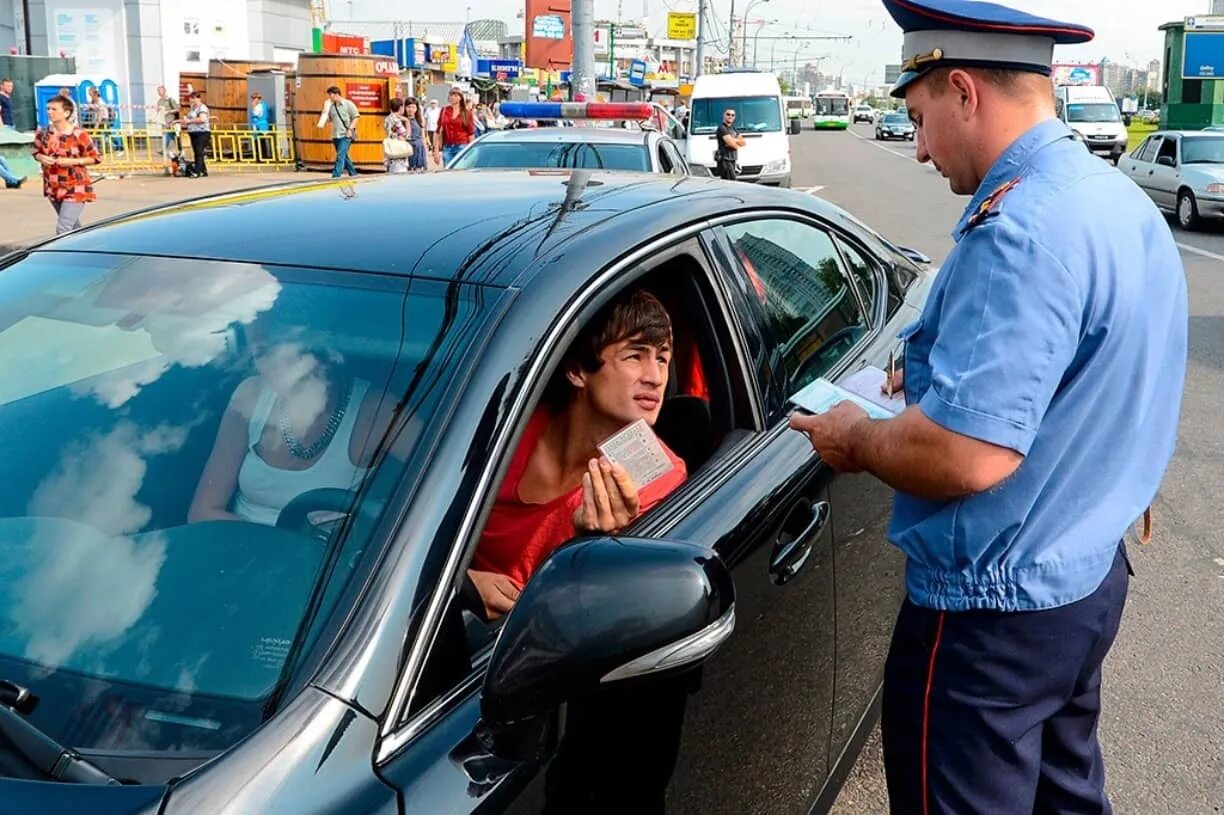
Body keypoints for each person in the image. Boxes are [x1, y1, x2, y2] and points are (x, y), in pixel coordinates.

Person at [787, 1, 1188, 813]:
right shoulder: (1112, 201)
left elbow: (970, 457)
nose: (923, 149)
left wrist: (856, 438)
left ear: (964, 90)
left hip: (990, 622)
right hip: (1082, 583)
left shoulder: (1021, 228)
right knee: (1065, 796)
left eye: (921, 118)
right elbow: (1107, 373)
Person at [467, 288, 688, 621]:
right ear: (577, 371)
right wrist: (462, 585)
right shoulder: (509, 428)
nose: (655, 377)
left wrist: (593, 549)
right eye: (634, 356)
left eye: (662, 358)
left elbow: (610, 614)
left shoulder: (658, 479)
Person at [188, 311, 396, 527]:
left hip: (329, 558)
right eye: (261, 354)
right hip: (240, 547)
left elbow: (432, 490)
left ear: (323, 348)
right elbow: (203, 512)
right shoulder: (250, 395)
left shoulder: (378, 411)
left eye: (287, 353)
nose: (274, 368)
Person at [32, 94, 100, 234]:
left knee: (63, 228)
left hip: (75, 186)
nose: (50, 112)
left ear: (66, 113)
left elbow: (95, 157)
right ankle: (87, 248)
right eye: (48, 109)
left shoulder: (79, 134)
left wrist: (73, 161)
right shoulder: (43, 133)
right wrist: (42, 158)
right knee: (73, 228)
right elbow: (36, 152)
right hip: (53, 186)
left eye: (54, 109)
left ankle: (62, 254)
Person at [320, 85, 359, 178]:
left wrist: (350, 129)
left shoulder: (348, 104)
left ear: (337, 94)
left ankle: (336, 175)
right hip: (336, 135)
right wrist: (324, 113)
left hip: (345, 134)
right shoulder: (331, 106)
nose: (330, 98)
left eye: (331, 95)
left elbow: (356, 117)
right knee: (344, 156)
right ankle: (353, 173)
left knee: (340, 156)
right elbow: (329, 119)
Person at [435, 88, 474, 167]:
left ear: (460, 98)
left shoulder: (467, 113)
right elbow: (438, 131)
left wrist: (471, 151)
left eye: (456, 95)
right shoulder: (444, 110)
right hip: (447, 146)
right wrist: (436, 150)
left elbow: (471, 133)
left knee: (461, 171)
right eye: (451, 95)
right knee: (448, 170)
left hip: (462, 145)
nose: (453, 97)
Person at [180, 90, 211, 177]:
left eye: (193, 99)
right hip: (194, 132)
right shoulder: (193, 109)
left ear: (198, 99)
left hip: (202, 132)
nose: (192, 101)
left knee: (199, 152)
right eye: (191, 99)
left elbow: (202, 119)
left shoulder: (202, 108)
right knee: (197, 152)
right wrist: (177, 121)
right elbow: (188, 119)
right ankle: (203, 171)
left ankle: (197, 171)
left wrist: (190, 121)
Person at [714, 107, 744, 181]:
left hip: (732, 160)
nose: (730, 116)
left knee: (730, 184)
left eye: (733, 115)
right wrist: (734, 142)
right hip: (725, 160)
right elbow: (733, 145)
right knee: (732, 182)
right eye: (728, 114)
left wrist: (733, 140)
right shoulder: (722, 128)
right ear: (724, 115)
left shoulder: (733, 128)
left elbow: (743, 142)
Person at [154, 85, 179, 173]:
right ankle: (168, 164)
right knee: (167, 144)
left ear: (164, 91)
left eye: (160, 91)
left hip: (170, 123)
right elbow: (158, 111)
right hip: (164, 123)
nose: (159, 92)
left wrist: (169, 112)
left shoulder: (170, 100)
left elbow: (177, 109)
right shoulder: (159, 101)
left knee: (171, 143)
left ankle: (174, 164)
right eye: (158, 91)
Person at [382, 98, 410, 175]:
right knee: (400, 173)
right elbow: (406, 134)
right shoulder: (397, 120)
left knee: (391, 171)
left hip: (390, 146)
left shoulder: (388, 118)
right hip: (398, 149)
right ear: (400, 107)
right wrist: (407, 122)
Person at [403, 97, 428, 172]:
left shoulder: (420, 119)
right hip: (407, 148)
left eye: (413, 107)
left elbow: (423, 137)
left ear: (417, 109)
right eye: (408, 107)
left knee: (418, 171)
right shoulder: (402, 120)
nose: (411, 109)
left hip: (418, 148)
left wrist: (425, 155)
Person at [248, 91, 271, 162]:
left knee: (258, 142)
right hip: (264, 125)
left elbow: (255, 115)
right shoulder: (265, 105)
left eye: (254, 98)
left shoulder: (258, 106)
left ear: (258, 99)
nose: (253, 100)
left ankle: (260, 158)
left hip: (259, 125)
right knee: (262, 141)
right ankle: (263, 156)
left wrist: (254, 107)